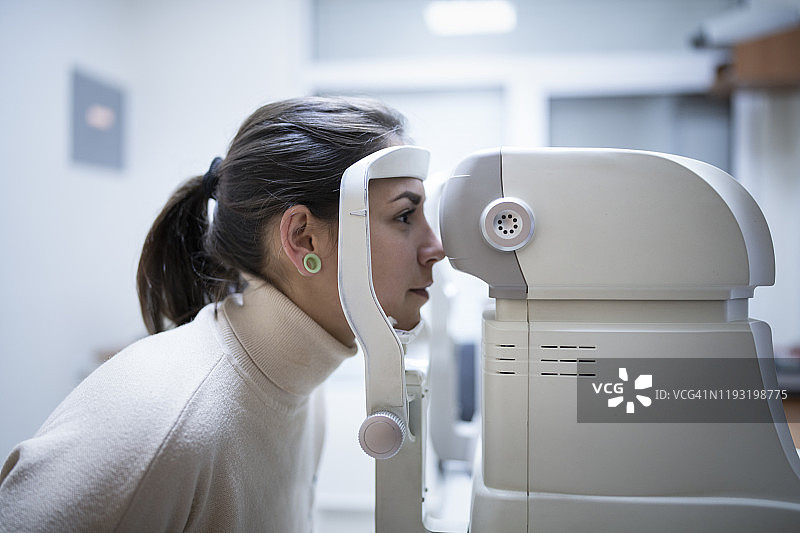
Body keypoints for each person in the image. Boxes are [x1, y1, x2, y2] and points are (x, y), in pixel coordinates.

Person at [0, 96, 445, 531]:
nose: (436, 248)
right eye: (405, 216)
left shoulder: (299, 393)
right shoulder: (158, 425)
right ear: (304, 239)